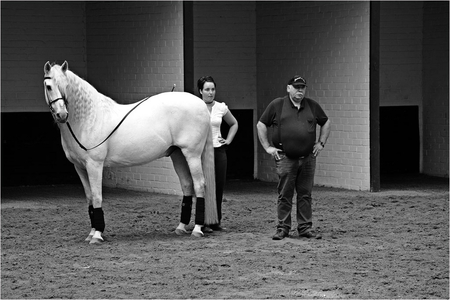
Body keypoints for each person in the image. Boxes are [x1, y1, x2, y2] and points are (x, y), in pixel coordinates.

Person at [256, 75, 331, 240]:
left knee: (305, 193)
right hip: (286, 157)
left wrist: (321, 143)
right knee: (285, 193)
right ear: (288, 88)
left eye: (302, 87)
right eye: (296, 87)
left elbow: (325, 122)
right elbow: (261, 124)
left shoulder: (312, 105)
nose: (300, 90)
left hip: (308, 158)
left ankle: (305, 227)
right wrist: (267, 147)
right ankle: (283, 227)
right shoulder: (277, 105)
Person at [175, 76, 238, 236]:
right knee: (203, 186)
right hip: (200, 151)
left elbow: (234, 123)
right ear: (201, 91)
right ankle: (201, 221)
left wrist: (228, 141)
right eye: (207, 90)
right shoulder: (194, 108)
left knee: (218, 186)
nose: (211, 93)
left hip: (218, 149)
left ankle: (215, 222)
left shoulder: (221, 107)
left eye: (213, 89)